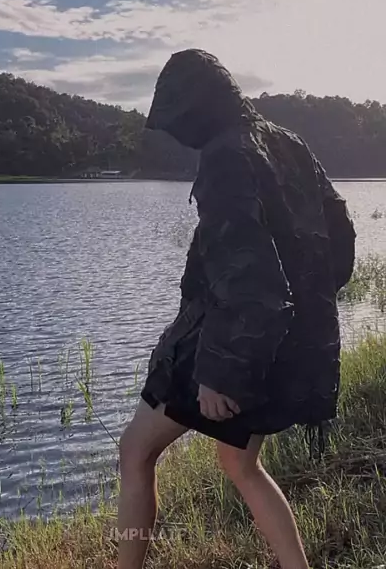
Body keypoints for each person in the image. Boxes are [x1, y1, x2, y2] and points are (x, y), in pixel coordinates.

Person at [116, 49, 356, 569]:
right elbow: (340, 239)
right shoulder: (289, 143)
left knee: (134, 452)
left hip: (228, 347)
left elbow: (249, 279)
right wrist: (305, 315)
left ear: (197, 106)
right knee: (241, 464)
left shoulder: (226, 157)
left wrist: (220, 374)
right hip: (274, 343)